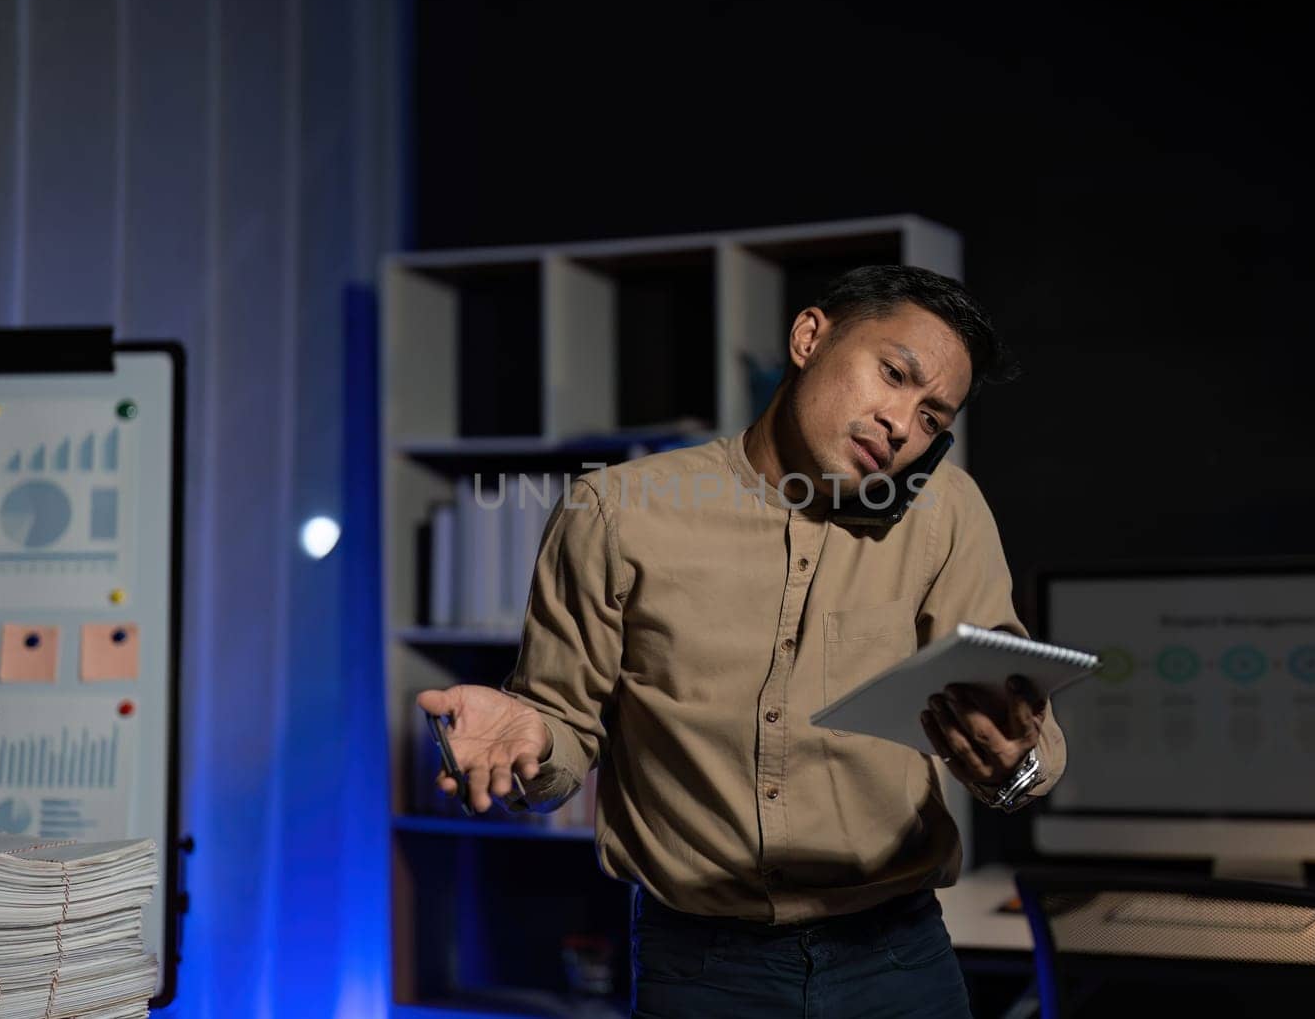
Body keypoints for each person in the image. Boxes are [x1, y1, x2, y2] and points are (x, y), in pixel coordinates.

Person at [418, 264, 1066, 1018]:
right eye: (893, 374)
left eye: (931, 417)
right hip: (700, 971)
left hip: (897, 960)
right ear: (809, 337)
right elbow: (563, 729)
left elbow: (1018, 715)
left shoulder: (945, 509)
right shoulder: (617, 511)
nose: (900, 424)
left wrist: (1015, 766)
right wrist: (530, 738)